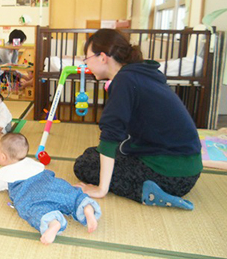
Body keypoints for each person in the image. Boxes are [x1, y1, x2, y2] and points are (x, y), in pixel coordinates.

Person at [74, 29, 202, 210]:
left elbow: (111, 135)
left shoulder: (124, 80)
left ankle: (147, 192)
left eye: (86, 58)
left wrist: (101, 189)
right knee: (92, 153)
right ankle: (151, 187)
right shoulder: (140, 73)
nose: (86, 64)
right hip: (188, 168)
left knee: (84, 165)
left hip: (170, 176)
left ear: (102, 57)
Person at [0, 133, 101, 245]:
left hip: (29, 193)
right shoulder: (30, 162)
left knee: (33, 209)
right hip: (48, 182)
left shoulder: (4, 175)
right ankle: (86, 207)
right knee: (67, 193)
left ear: (2, 157)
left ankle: (53, 223)